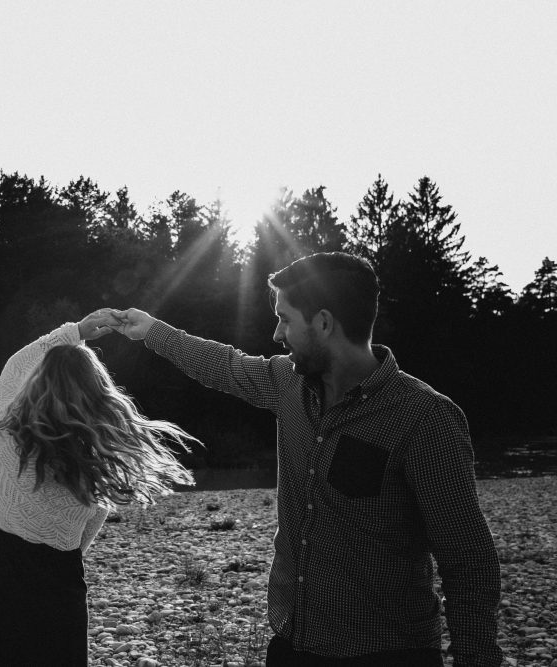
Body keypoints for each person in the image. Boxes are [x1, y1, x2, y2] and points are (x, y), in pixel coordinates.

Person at [111, 252, 501, 667]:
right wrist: (151, 330)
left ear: (324, 323)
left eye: (285, 318)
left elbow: (468, 561)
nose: (277, 333)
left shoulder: (425, 418)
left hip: (386, 653)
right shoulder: (287, 383)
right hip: (292, 644)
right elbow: (225, 366)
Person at [0, 308, 199, 666]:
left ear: (37, 382)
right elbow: (89, 526)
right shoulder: (95, 461)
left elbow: (14, 368)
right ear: (96, 391)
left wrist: (76, 331)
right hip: (58, 573)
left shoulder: (4, 427)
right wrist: (59, 554)